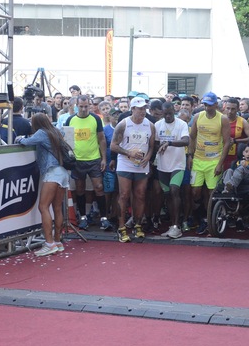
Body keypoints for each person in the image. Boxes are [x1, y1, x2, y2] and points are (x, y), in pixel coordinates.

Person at [17, 113, 70, 257]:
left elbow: (26, 142)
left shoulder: (41, 133)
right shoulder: (56, 131)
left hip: (52, 172)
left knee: (43, 207)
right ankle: (57, 241)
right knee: (57, 208)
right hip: (63, 172)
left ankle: (49, 243)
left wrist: (19, 138)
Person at [110, 96, 155, 242]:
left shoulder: (150, 125)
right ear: (133, 109)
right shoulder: (123, 124)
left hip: (142, 165)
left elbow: (152, 146)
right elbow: (113, 146)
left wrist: (148, 157)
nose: (143, 111)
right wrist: (129, 153)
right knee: (124, 195)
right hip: (125, 164)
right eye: (140, 109)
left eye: (144, 108)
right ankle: (121, 227)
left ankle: (138, 225)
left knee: (140, 194)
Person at [188, 92, 230, 235]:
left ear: (216, 105)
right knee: (195, 192)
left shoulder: (222, 119)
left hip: (214, 160)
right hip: (198, 160)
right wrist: (190, 155)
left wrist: (220, 163)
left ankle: (209, 220)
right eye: (205, 104)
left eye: (210, 105)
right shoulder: (197, 116)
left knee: (212, 193)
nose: (207, 107)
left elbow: (227, 142)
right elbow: (192, 136)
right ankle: (198, 217)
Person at [64, 95, 106, 230]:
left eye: (86, 106)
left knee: (99, 187)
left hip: (94, 159)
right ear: (76, 106)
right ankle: (82, 216)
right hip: (78, 160)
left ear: (90, 105)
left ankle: (104, 218)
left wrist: (104, 158)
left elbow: (101, 139)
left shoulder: (96, 119)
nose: (83, 109)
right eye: (81, 106)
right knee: (80, 189)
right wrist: (69, 159)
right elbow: (67, 142)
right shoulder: (70, 120)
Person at [155, 102, 190, 239]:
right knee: (167, 194)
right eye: (165, 114)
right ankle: (172, 225)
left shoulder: (182, 124)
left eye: (170, 113)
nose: (168, 116)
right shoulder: (158, 125)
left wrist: (169, 143)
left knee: (175, 190)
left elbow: (186, 141)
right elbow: (155, 143)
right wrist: (159, 147)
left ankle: (177, 226)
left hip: (177, 164)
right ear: (162, 113)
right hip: (162, 165)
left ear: (174, 112)